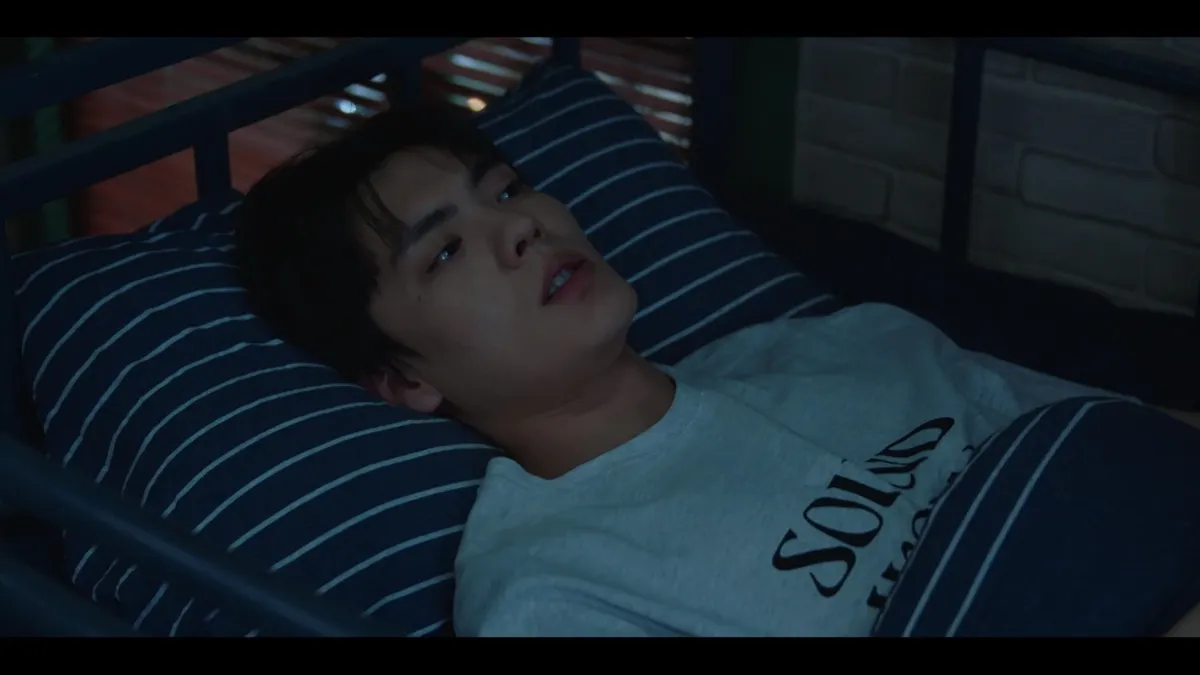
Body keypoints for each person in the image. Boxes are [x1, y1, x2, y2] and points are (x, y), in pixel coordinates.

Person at [234, 102, 1200, 638]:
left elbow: (1127, 449)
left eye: (509, 189)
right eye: (444, 250)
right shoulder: (551, 591)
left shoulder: (836, 344)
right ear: (404, 381)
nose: (521, 225)